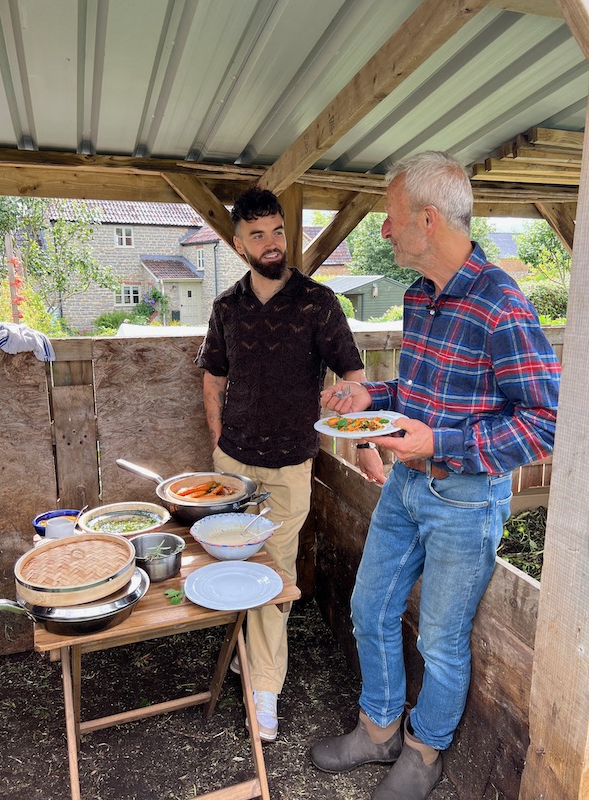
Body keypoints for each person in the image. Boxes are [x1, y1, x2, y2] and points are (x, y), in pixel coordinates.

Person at [310, 151, 561, 800]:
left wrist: (440, 441)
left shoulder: (502, 305)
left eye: (392, 219)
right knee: (370, 606)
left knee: (444, 643)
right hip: (405, 486)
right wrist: (377, 398)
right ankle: (379, 728)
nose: (386, 231)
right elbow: (423, 391)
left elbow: (544, 424)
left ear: (426, 218)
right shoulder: (419, 297)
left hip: (466, 499)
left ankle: (423, 753)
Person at [195, 186, 366, 742]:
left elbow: (354, 377)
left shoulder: (318, 303)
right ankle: (249, 657)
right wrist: (219, 438)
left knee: (277, 573)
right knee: (231, 567)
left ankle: (264, 689)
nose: (271, 244)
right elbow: (213, 376)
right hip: (233, 467)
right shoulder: (226, 308)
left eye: (277, 232)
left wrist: (357, 435)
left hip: (292, 465)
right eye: (257, 235)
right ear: (239, 244)